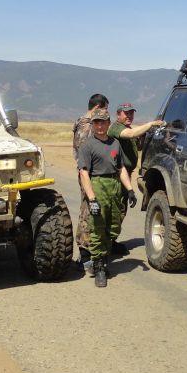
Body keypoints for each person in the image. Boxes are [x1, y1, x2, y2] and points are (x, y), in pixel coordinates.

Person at [76, 108, 138, 288]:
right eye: (96, 122)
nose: (100, 126)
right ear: (93, 124)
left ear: (108, 123)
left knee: (113, 226)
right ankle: (99, 267)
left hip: (114, 186)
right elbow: (84, 173)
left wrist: (130, 189)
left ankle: (103, 257)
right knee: (98, 228)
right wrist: (92, 199)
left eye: (103, 122)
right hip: (98, 184)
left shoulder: (115, 143)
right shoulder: (87, 145)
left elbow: (121, 168)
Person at [106, 103, 164, 222]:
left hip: (126, 174)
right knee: (114, 208)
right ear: (118, 115)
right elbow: (130, 134)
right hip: (116, 175)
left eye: (131, 113)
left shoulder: (129, 128)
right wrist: (150, 124)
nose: (129, 116)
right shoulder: (116, 128)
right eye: (126, 113)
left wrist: (143, 136)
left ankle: (114, 233)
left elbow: (138, 146)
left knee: (121, 207)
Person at [72, 93, 110, 273]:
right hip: (89, 174)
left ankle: (91, 250)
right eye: (104, 109)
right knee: (88, 211)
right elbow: (84, 156)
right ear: (97, 108)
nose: (105, 113)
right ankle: (85, 254)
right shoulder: (86, 126)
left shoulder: (85, 123)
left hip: (93, 174)